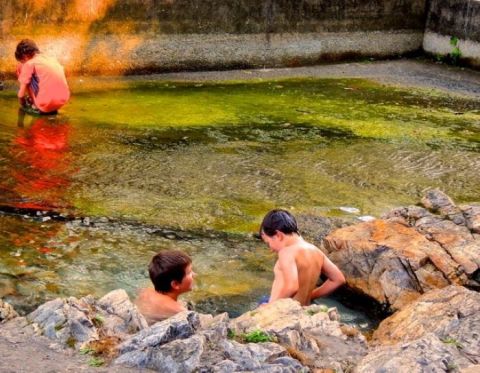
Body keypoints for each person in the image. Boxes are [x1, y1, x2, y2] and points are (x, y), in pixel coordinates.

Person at [260, 209, 345, 306]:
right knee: (264, 298)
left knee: (262, 302)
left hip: (285, 311)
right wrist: (311, 296)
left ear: (278, 235)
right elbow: (338, 279)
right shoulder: (316, 251)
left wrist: (269, 307)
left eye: (268, 243)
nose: (270, 249)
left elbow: (292, 287)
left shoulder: (286, 252)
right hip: (304, 307)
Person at [135, 250, 195, 324]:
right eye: (189, 273)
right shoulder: (179, 311)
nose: (194, 274)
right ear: (175, 284)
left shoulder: (146, 292)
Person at [15, 39, 70, 115]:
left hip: (44, 104)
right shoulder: (51, 58)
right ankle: (42, 100)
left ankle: (35, 105)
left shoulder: (29, 64)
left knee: (20, 69)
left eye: (22, 60)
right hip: (63, 100)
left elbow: (21, 95)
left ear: (24, 56)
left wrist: (23, 105)